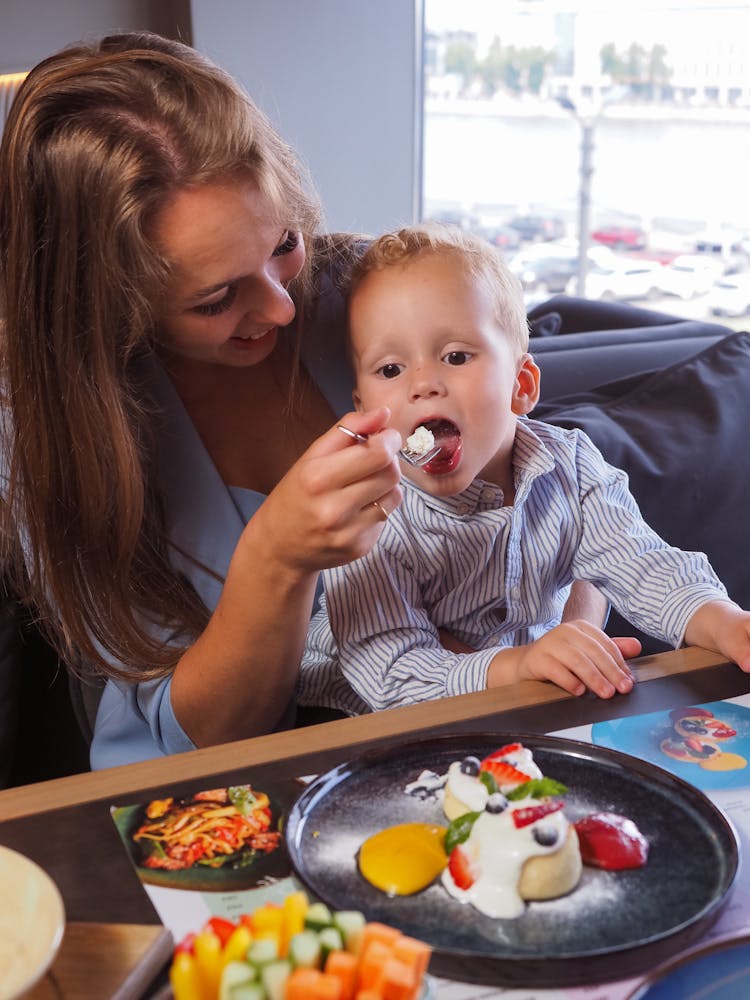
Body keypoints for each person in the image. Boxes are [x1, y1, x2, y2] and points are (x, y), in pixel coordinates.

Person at [0, 31, 409, 769]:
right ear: (106, 301)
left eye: (284, 242)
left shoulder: (366, 291)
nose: (284, 310)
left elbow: (554, 498)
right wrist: (278, 559)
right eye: (217, 298)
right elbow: (205, 742)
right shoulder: (43, 435)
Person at [298, 223, 750, 715]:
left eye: (455, 356)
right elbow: (393, 673)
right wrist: (517, 665)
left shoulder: (571, 467)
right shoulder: (370, 513)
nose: (423, 384)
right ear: (363, 407)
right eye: (391, 369)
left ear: (522, 385)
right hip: (354, 724)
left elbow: (642, 563)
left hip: (521, 702)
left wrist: (721, 620)